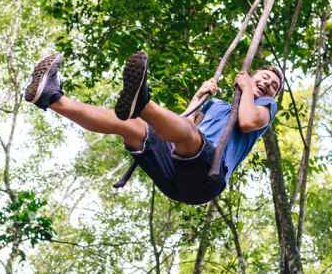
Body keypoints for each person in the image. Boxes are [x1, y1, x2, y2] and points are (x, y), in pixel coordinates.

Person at [24, 52, 282, 205]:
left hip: (205, 180)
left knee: (187, 137)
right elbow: (179, 127)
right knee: (133, 126)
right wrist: (199, 97)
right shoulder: (214, 105)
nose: (267, 83)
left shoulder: (265, 107)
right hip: (175, 171)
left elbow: (247, 122)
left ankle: (143, 102)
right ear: (252, 74)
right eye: (264, 77)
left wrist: (248, 87)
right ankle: (51, 97)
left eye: (273, 85)